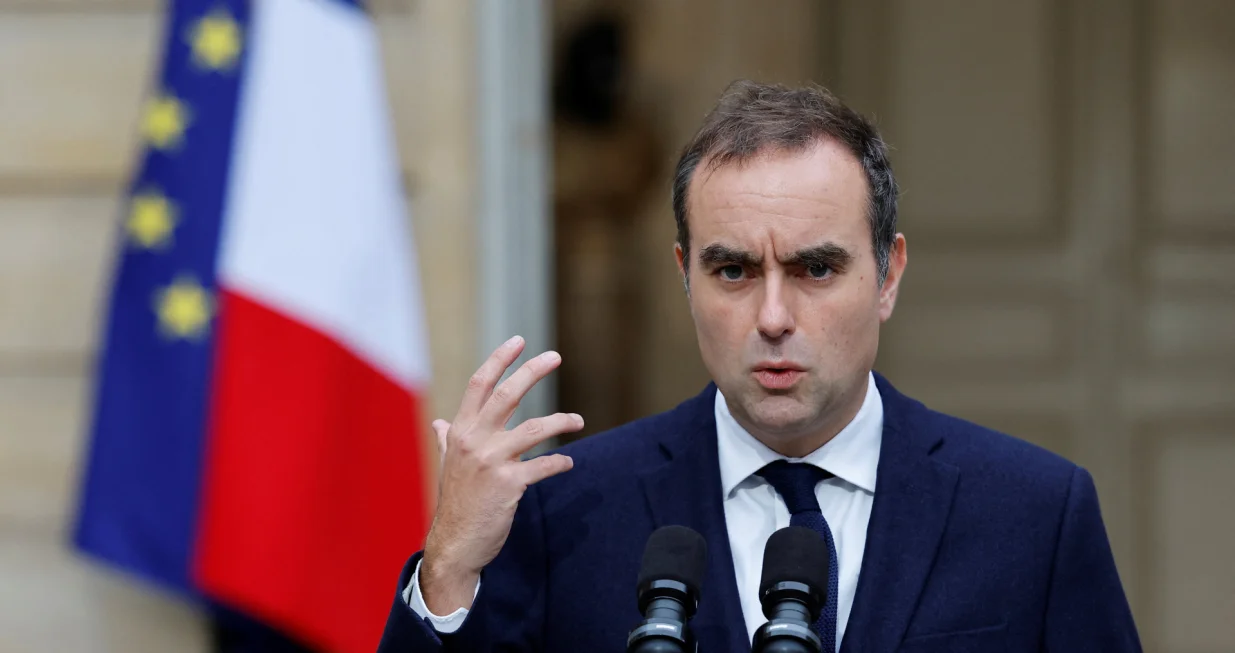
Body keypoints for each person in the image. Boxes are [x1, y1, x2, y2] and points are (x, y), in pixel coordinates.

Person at [377, 80, 1142, 653]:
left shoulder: (1034, 513)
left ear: (888, 274)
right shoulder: (566, 512)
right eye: (734, 271)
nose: (772, 316)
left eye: (814, 269)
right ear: (684, 273)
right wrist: (446, 568)